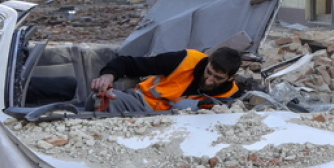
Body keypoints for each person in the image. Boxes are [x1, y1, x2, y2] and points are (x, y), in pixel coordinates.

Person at [88, 47, 243, 115]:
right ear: (208, 61)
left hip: (174, 126)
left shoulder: (232, 96)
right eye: (209, 72)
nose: (209, 80)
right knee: (103, 98)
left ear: (231, 78)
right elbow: (128, 63)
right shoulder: (184, 60)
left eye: (218, 78)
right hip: (140, 104)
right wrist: (108, 75)